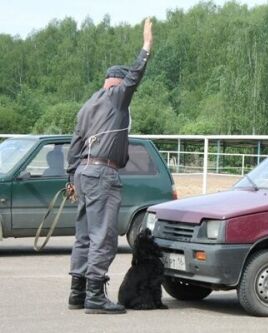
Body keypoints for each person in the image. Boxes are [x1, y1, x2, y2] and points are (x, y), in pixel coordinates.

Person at [65, 17, 153, 315]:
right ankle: (95, 297)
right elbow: (135, 77)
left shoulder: (87, 105)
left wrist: (70, 178)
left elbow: (74, 146)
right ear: (116, 83)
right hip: (103, 174)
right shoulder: (116, 97)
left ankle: (77, 293)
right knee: (103, 236)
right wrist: (146, 47)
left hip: (83, 173)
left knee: (84, 235)